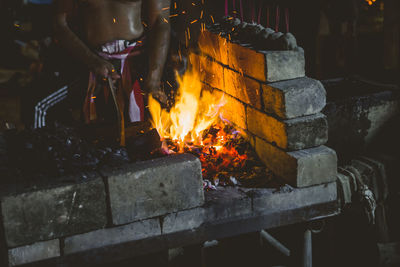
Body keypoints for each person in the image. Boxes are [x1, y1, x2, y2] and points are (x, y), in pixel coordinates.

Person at [53, 0, 170, 127]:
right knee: (95, 134)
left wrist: (154, 79)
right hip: (91, 61)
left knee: (146, 133)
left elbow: (160, 21)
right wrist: (92, 61)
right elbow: (60, 24)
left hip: (138, 62)